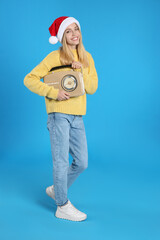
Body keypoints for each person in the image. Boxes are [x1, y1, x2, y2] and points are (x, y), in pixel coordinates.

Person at [23, 16, 98, 221]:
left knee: (81, 162)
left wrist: (81, 70)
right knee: (61, 160)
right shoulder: (53, 58)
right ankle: (62, 205)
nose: (74, 34)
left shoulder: (87, 57)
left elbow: (92, 88)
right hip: (58, 115)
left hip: (77, 116)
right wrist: (53, 93)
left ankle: (57, 189)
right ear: (62, 36)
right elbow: (29, 79)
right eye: (68, 31)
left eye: (77, 29)